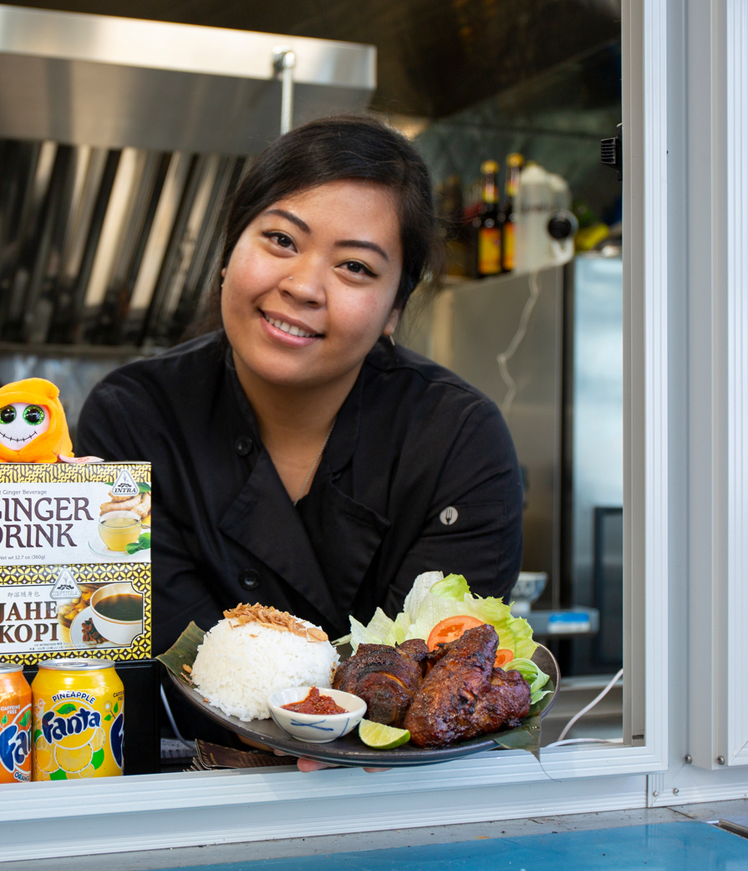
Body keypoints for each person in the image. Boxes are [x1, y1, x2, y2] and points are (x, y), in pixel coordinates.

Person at [75, 115, 523, 742]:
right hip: (182, 794)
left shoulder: (457, 442)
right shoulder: (133, 417)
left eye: (356, 268)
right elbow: (176, 667)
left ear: (394, 309)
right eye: (282, 241)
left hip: (391, 810)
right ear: (231, 251)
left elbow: (433, 687)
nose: (303, 286)